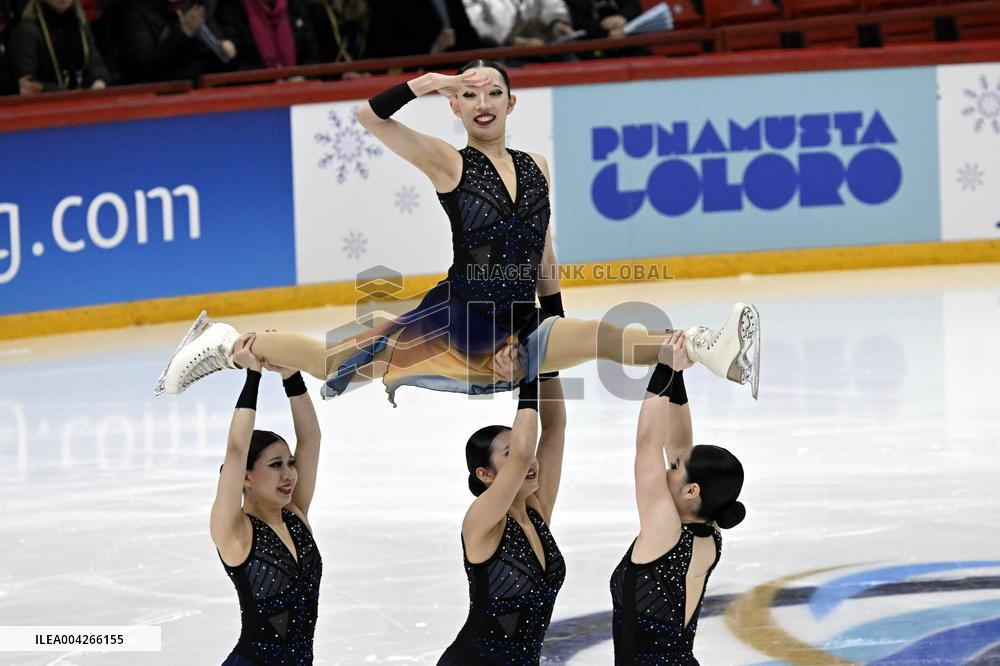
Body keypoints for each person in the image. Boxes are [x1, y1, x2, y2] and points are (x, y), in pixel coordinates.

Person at [154, 61, 761, 405]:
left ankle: (711, 348)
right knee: (334, 360)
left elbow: (545, 257)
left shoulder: (537, 168)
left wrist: (544, 331)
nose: (482, 101)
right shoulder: (450, 163)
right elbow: (369, 117)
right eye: (468, 94)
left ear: (511, 103)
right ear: (456, 107)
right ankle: (230, 346)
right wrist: (421, 85)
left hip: (519, 318)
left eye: (493, 91)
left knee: (607, 337)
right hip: (457, 321)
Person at [610, 330, 746, 664]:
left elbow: (647, 445)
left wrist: (663, 367)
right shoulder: (707, 530)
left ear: (691, 491)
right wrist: (678, 370)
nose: (666, 470)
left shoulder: (664, 533)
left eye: (673, 468)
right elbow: (681, 446)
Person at [439, 372, 566, 665]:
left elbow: (555, 426)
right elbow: (523, 454)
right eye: (508, 455)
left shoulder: (536, 513)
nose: (530, 459)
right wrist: (528, 375)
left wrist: (547, 364)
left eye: (524, 452)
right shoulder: (481, 522)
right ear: (485, 475)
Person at [212, 333, 324, 665]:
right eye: (275, 465)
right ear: (245, 476)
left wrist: (291, 376)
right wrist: (252, 377)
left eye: (289, 463)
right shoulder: (234, 532)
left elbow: (311, 439)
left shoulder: (296, 515)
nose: (289, 474)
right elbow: (235, 452)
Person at [113, 0, 236, 84]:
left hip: (202, 87)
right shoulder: (135, 14)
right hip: (160, 94)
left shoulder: (195, 6)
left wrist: (224, 48)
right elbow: (144, 64)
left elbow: (216, 39)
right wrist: (182, 34)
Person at [10, 0, 110, 93]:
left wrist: (98, 81)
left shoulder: (79, 24)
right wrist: (62, 92)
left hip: (80, 99)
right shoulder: (28, 31)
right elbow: (29, 85)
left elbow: (95, 63)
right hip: (47, 104)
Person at [214, 0, 320, 70]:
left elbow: (313, 53)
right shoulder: (232, 7)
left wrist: (299, 76)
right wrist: (270, 78)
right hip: (256, 91)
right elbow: (234, 62)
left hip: (298, 86)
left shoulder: (297, 5)